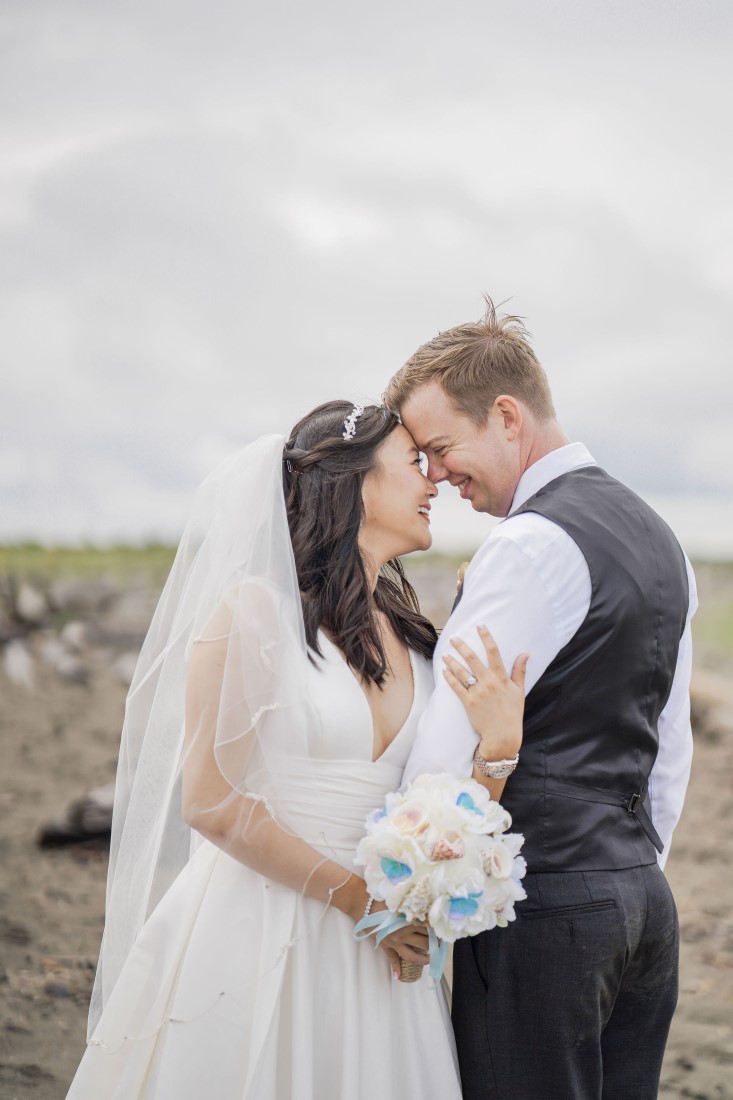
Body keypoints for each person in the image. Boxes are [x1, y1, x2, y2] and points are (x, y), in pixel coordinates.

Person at [66, 399, 526, 1100]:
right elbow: (210, 801)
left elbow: (433, 793)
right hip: (266, 926)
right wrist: (357, 899)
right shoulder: (253, 614)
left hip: (386, 945)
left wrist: (496, 750)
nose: (433, 479)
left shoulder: (412, 635)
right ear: (353, 484)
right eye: (413, 463)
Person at [384, 299, 697, 1100]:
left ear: (506, 415)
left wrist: (409, 896)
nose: (438, 476)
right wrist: (630, 874)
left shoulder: (527, 546)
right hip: (641, 906)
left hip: (544, 906)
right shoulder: (660, 536)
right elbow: (668, 742)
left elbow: (446, 746)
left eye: (442, 448)